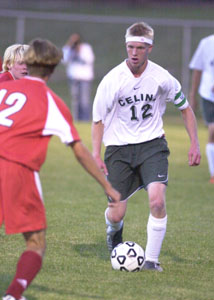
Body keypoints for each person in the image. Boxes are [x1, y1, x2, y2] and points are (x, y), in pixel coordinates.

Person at [0, 38, 120, 300]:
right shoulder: (50, 101)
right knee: (36, 243)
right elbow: (78, 150)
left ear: (28, 63)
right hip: (15, 169)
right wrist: (107, 185)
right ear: (53, 70)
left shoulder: (3, 89)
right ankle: (13, 294)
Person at [92, 21, 201, 272]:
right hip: (119, 149)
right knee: (116, 213)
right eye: (130, 47)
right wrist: (96, 154)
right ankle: (113, 231)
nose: (133, 52)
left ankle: (151, 261)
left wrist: (194, 143)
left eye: (140, 48)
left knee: (157, 201)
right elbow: (98, 120)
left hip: (152, 145)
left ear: (150, 48)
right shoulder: (113, 79)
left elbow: (185, 108)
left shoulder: (162, 77)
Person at [189, 34, 214, 184]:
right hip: (208, 95)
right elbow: (197, 70)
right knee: (213, 131)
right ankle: (213, 173)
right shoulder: (207, 43)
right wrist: (193, 96)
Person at [62, 33, 95, 121]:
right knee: (75, 100)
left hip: (84, 78)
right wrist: (70, 47)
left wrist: (79, 51)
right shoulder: (68, 49)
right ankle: (77, 119)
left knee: (84, 100)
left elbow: (89, 60)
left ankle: (85, 119)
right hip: (73, 78)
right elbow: (64, 60)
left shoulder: (86, 48)